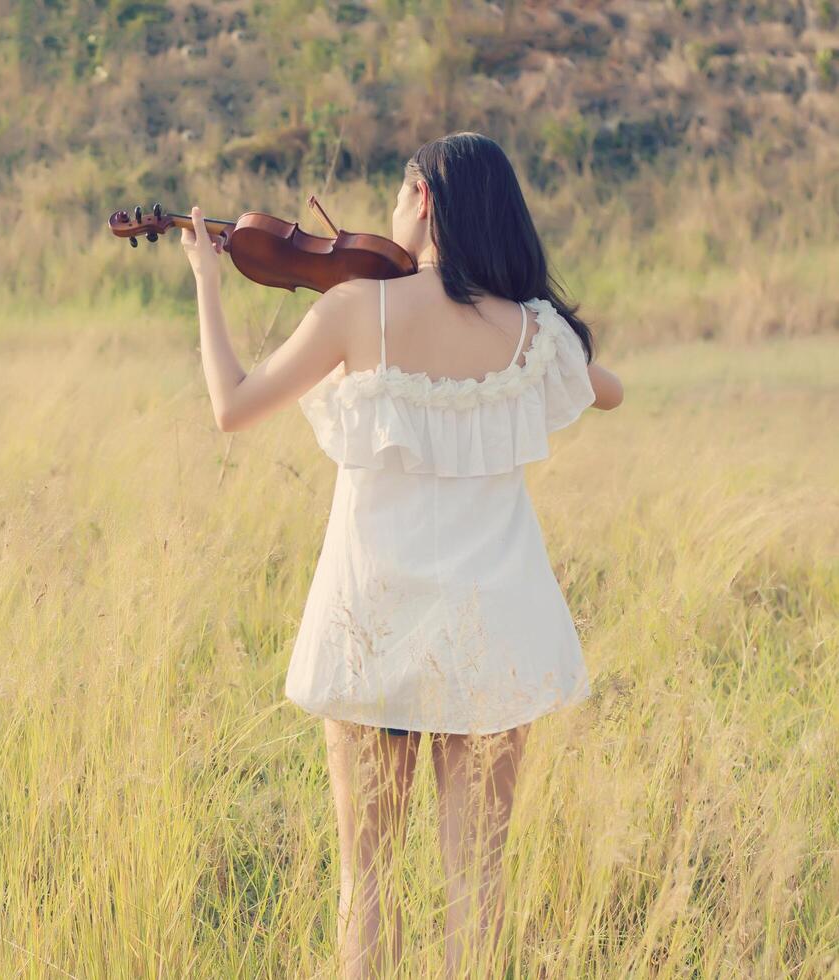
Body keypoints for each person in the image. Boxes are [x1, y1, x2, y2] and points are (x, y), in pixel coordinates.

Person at [179, 131, 624, 979]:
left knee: (366, 887)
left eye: (396, 196)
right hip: (493, 632)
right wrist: (533, 322)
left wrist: (209, 281)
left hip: (372, 620)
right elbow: (609, 391)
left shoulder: (355, 312)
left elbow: (231, 407)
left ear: (423, 200)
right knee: (478, 887)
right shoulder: (535, 333)